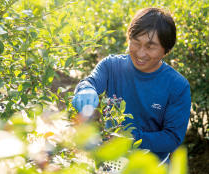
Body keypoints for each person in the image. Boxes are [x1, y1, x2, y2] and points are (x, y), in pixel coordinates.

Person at [71, 7, 191, 166]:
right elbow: (91, 81)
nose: (140, 53)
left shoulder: (177, 86)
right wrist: (86, 89)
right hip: (112, 164)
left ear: (166, 50)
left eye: (150, 47)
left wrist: (130, 138)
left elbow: (172, 138)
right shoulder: (111, 66)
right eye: (135, 42)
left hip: (154, 167)